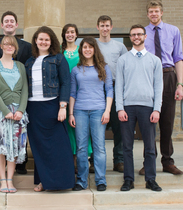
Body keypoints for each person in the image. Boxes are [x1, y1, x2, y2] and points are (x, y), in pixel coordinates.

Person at [25, 26, 75, 192]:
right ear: (36, 41)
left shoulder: (58, 58)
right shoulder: (29, 61)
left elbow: (66, 83)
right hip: (33, 108)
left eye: (47, 39)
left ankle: (63, 181)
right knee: (39, 147)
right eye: (40, 39)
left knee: (58, 145)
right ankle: (43, 181)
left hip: (53, 106)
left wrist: (63, 107)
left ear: (51, 41)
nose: (43, 42)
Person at [116, 24, 163, 192]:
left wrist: (156, 109)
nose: (136, 37)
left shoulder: (155, 60)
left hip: (148, 108)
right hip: (127, 107)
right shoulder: (123, 60)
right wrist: (120, 108)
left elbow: (159, 87)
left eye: (139, 34)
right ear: (130, 38)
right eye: (133, 34)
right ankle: (128, 180)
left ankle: (151, 179)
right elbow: (119, 86)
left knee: (150, 147)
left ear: (145, 36)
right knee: (127, 146)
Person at [140, 0, 183, 176]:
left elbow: (178, 58)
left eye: (156, 11)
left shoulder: (173, 31)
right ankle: (148, 161)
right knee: (147, 122)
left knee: (166, 121)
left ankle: (167, 161)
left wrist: (180, 84)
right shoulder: (142, 33)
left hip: (168, 75)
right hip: (148, 77)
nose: (153, 14)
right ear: (147, 14)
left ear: (162, 13)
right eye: (150, 11)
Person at [0, 11, 32, 175]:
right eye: (6, 21)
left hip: (18, 100)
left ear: (16, 24)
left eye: (12, 21)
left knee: (17, 134)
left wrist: (21, 107)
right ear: (2, 25)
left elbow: (26, 78)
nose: (9, 23)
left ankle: (20, 163)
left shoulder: (27, 47)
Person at [69, 37, 113, 192]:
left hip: (98, 110)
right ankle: (81, 181)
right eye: (84, 47)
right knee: (81, 147)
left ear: (95, 49)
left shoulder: (104, 68)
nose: (87, 49)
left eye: (90, 47)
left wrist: (107, 111)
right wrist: (71, 113)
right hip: (80, 111)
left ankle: (101, 180)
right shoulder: (76, 69)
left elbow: (109, 90)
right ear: (81, 50)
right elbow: (72, 93)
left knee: (99, 146)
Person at [96, 15, 128, 173]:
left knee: (118, 126)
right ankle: (94, 160)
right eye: (102, 26)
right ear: (97, 27)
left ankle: (119, 160)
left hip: (115, 87)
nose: (105, 29)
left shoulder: (120, 46)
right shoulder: (93, 45)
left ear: (111, 27)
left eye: (107, 25)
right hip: (96, 88)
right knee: (95, 125)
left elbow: (126, 69)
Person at [61, 24, 92, 173]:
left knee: (80, 127)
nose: (70, 34)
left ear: (76, 34)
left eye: (72, 32)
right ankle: (70, 161)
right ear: (64, 35)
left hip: (80, 94)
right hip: (63, 95)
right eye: (67, 32)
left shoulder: (82, 52)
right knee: (68, 128)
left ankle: (84, 161)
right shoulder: (60, 52)